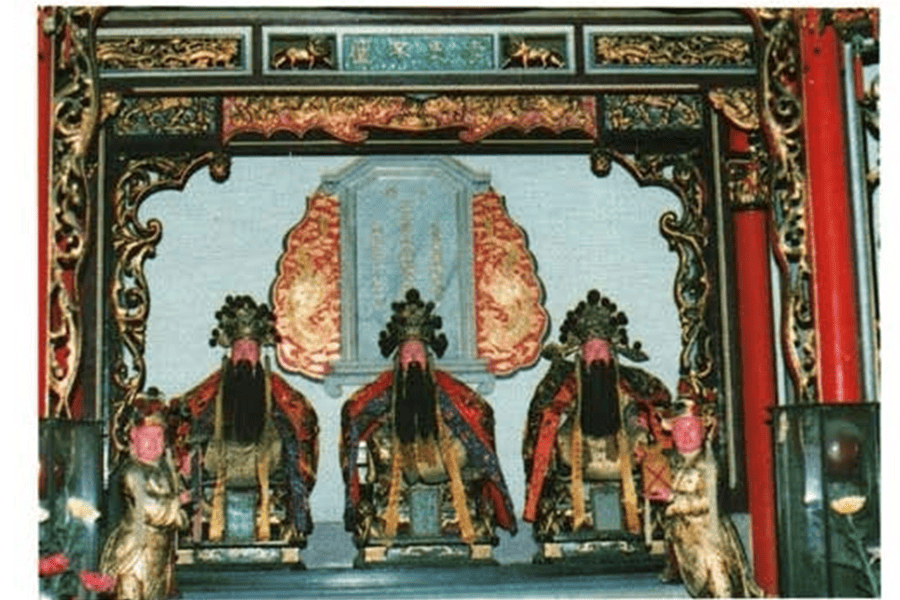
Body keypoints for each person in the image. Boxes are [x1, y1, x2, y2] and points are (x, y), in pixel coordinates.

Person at [340, 289, 517, 551]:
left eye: (418, 353)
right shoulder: (380, 396)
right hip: (395, 491)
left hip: (448, 488)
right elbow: (354, 418)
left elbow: (479, 421)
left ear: (429, 358)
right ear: (398, 360)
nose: (413, 359)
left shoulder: (451, 395)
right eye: (407, 353)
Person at [522, 289, 671, 541]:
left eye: (602, 349)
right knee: (557, 443)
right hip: (577, 446)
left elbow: (658, 402)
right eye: (590, 350)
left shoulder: (632, 381)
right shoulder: (563, 383)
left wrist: (643, 417)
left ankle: (647, 522)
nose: (597, 356)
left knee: (648, 443)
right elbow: (542, 413)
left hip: (623, 446)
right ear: (580, 354)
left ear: (612, 353)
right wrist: (557, 419)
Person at [171, 295, 318, 544]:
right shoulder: (212, 391)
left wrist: (292, 453)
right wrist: (190, 452)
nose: (244, 356)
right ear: (230, 353)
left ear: (260, 353)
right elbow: (188, 418)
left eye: (250, 350)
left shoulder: (279, 393)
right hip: (219, 467)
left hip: (266, 465)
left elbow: (301, 425)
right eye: (239, 349)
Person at [99, 393, 187, 600]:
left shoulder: (165, 469)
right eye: (147, 437)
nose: (153, 443)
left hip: (160, 554)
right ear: (133, 436)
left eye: (159, 437)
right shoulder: (132, 471)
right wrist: (178, 506)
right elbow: (148, 507)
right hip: (135, 553)